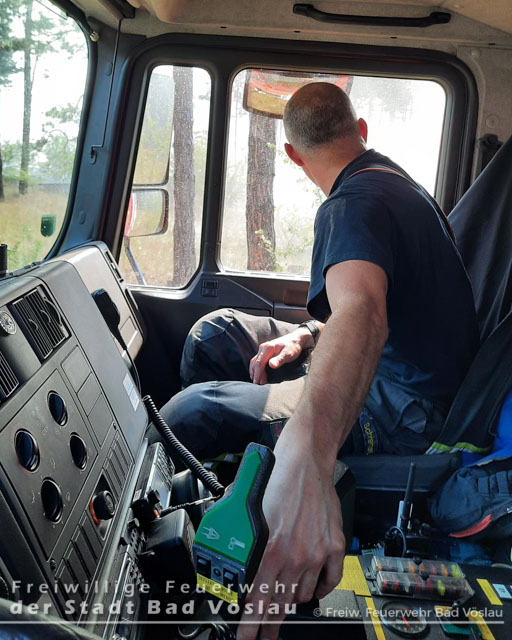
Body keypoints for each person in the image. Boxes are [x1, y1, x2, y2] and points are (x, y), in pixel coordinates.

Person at [149, 82, 479, 640]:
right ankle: (236, 488)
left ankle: (194, 549)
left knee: (192, 412)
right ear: (362, 131)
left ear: (293, 155)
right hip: (400, 377)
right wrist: (303, 337)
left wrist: (308, 457)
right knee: (216, 334)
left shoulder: (352, 206)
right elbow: (371, 309)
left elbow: (365, 311)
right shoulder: (399, 188)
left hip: (398, 414)